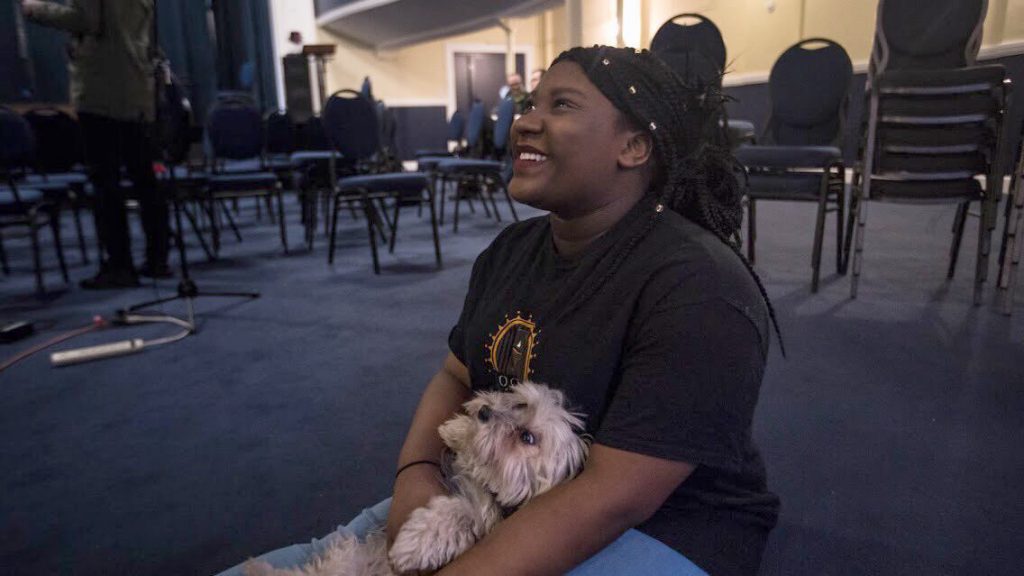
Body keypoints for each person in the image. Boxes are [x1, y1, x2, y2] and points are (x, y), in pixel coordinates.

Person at [216, 45, 781, 576]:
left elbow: (616, 496)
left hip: (666, 526)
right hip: (492, 489)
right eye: (531, 102)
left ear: (632, 147)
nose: (525, 120)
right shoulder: (511, 251)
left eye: (561, 106)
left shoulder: (697, 287)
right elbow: (455, 374)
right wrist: (417, 475)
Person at [22, 0, 171, 288]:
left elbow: (86, 21)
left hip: (101, 91)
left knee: (106, 183)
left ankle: (119, 266)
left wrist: (35, 9)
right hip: (137, 86)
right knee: (145, 180)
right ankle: (157, 259)